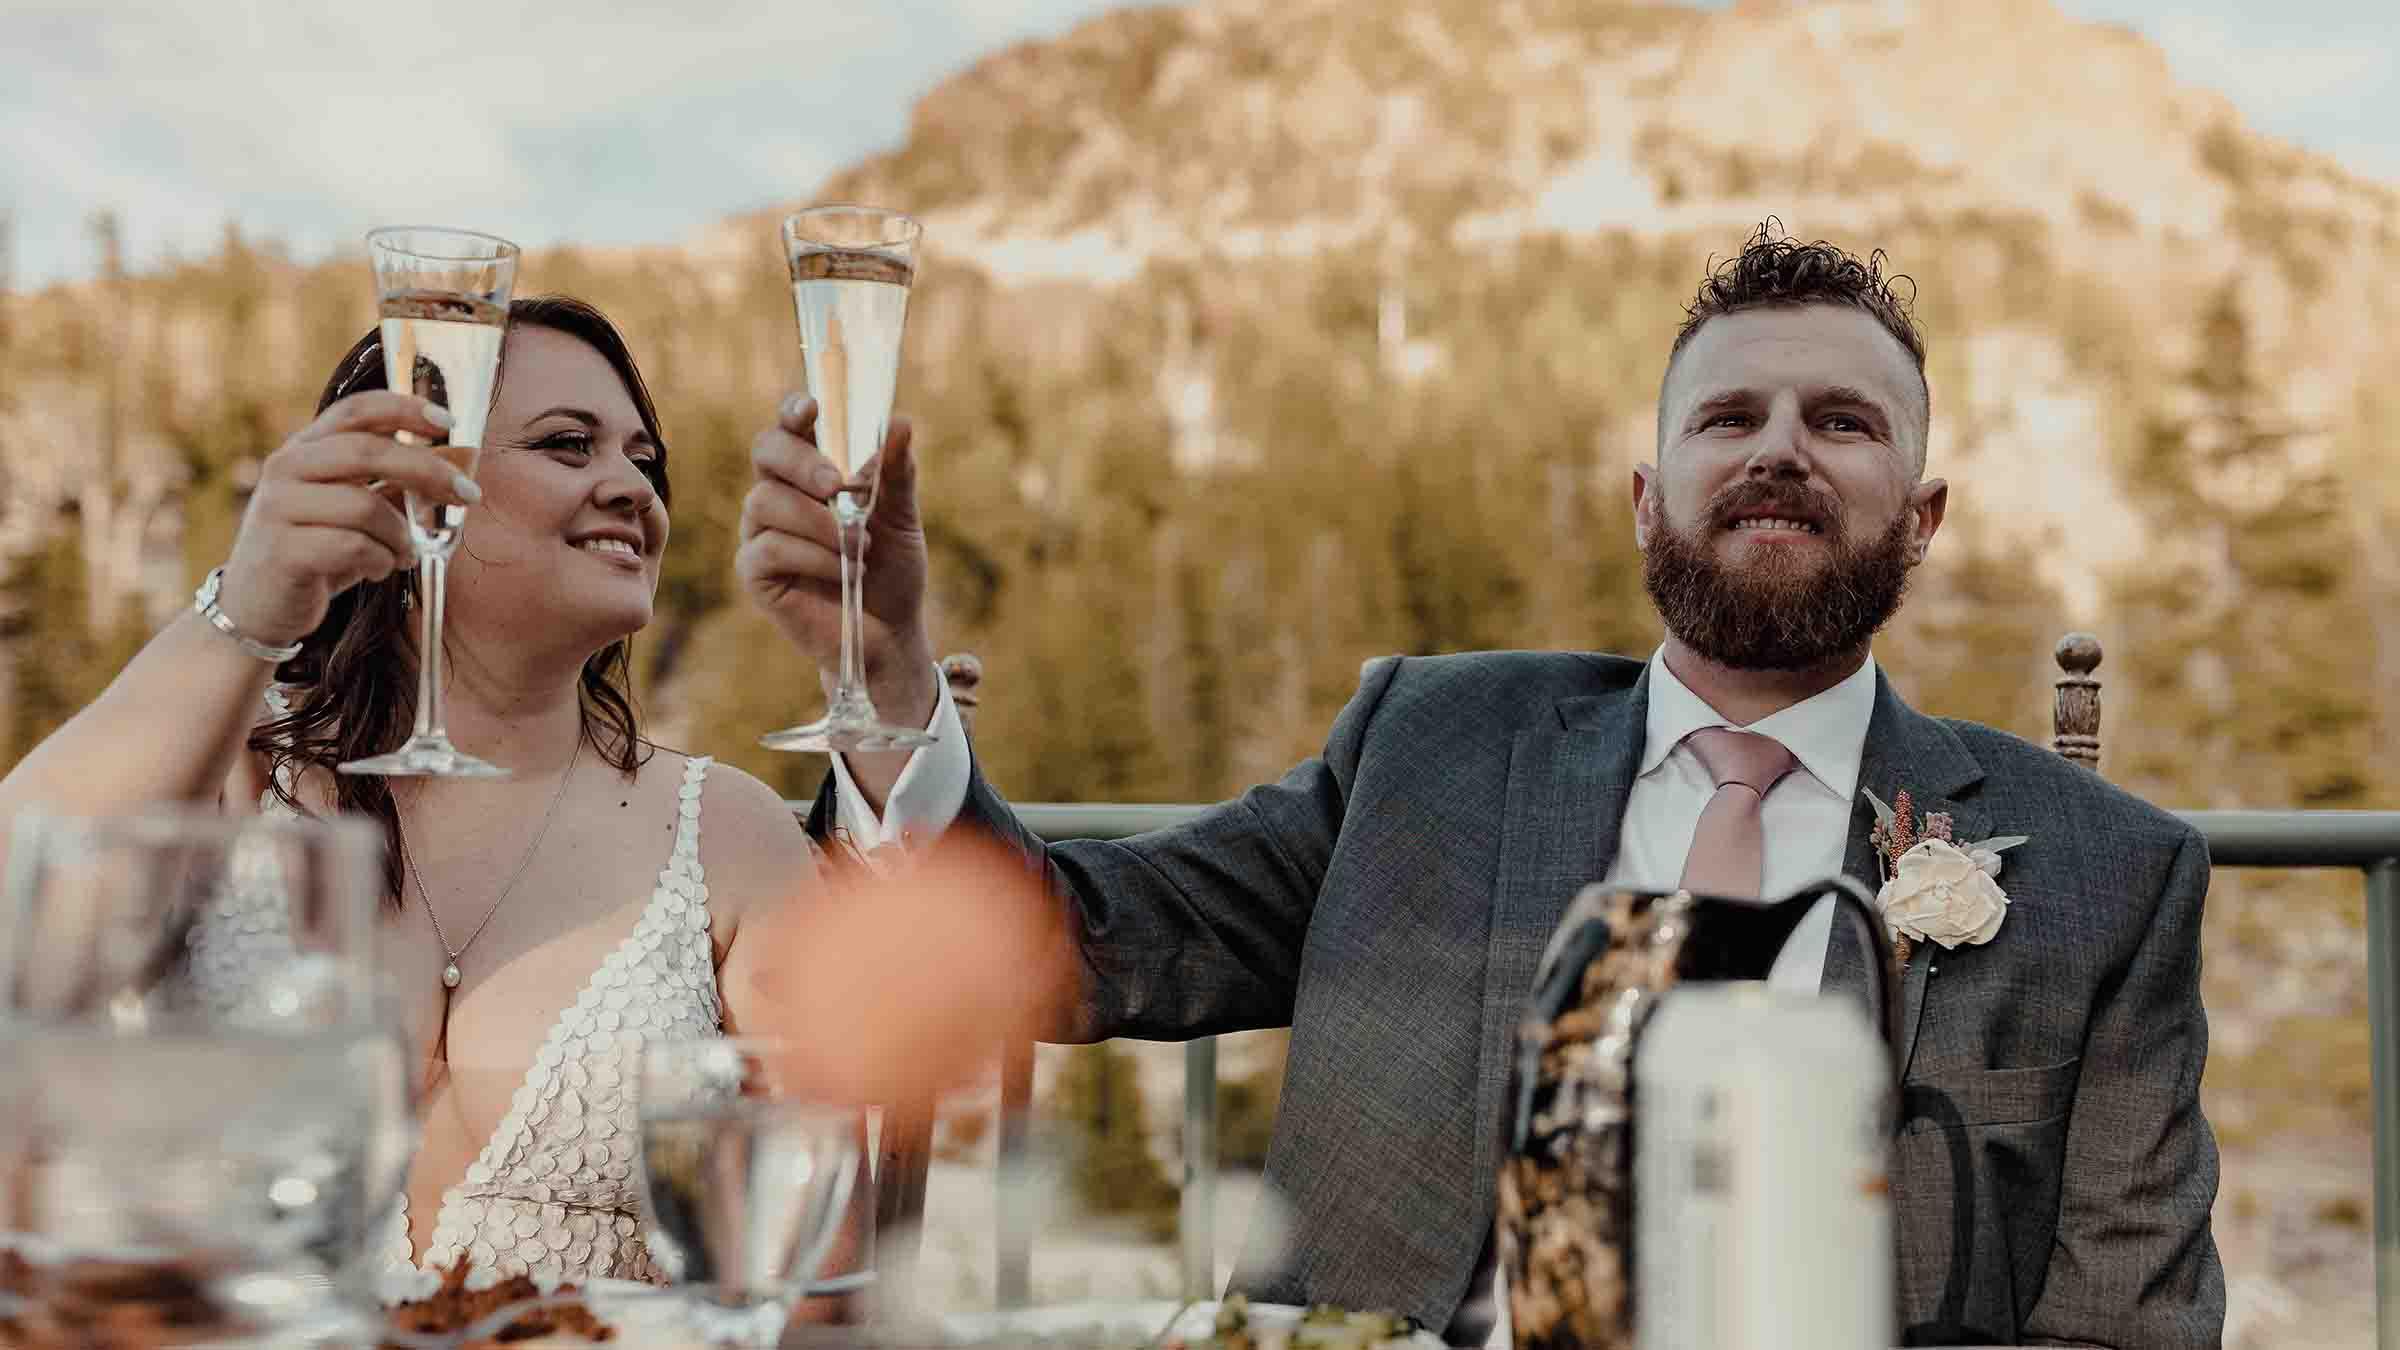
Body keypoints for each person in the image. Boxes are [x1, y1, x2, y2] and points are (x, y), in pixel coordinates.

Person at [740, 225, 2224, 1346]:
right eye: (1728, 419)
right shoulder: (1428, 745)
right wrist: (884, 678)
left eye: (1842, 421)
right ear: (1648, 498)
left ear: (1926, 514)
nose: (1779, 449)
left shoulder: (2105, 880)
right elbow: (1064, 942)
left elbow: (2131, 1326)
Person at [0, 297, 846, 1306]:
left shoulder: (730, 837)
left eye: (644, 461)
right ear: (407, 489)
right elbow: (19, 929)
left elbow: (817, 1280)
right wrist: (254, 605)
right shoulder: (226, 776)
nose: (631, 487)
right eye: (569, 445)